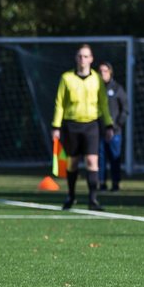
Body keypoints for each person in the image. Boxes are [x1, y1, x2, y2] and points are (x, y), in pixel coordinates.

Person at [51, 44, 114, 211]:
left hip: (91, 125)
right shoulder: (66, 78)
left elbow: (103, 104)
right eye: (80, 56)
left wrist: (108, 124)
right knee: (72, 163)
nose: (83, 60)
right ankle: (71, 196)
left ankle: (93, 199)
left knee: (92, 161)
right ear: (76, 58)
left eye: (86, 57)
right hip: (71, 125)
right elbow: (60, 104)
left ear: (91, 59)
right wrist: (56, 126)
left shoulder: (97, 80)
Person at [97, 61, 128, 191]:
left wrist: (117, 126)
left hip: (115, 132)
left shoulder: (117, 89)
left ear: (110, 72)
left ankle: (115, 183)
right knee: (100, 159)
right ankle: (101, 183)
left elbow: (125, 109)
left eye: (105, 71)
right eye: (100, 71)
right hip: (99, 131)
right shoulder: (95, 88)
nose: (102, 74)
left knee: (115, 158)